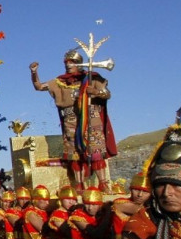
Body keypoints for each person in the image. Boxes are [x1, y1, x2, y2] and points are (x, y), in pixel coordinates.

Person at [30, 50, 117, 191]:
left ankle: (104, 184)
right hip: (70, 121)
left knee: (96, 152)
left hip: (91, 119)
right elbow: (39, 86)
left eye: (72, 62)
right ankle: (79, 185)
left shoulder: (92, 78)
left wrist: (95, 92)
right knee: (74, 154)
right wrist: (34, 72)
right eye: (66, 63)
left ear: (79, 64)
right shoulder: (59, 82)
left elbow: (107, 94)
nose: (68, 65)